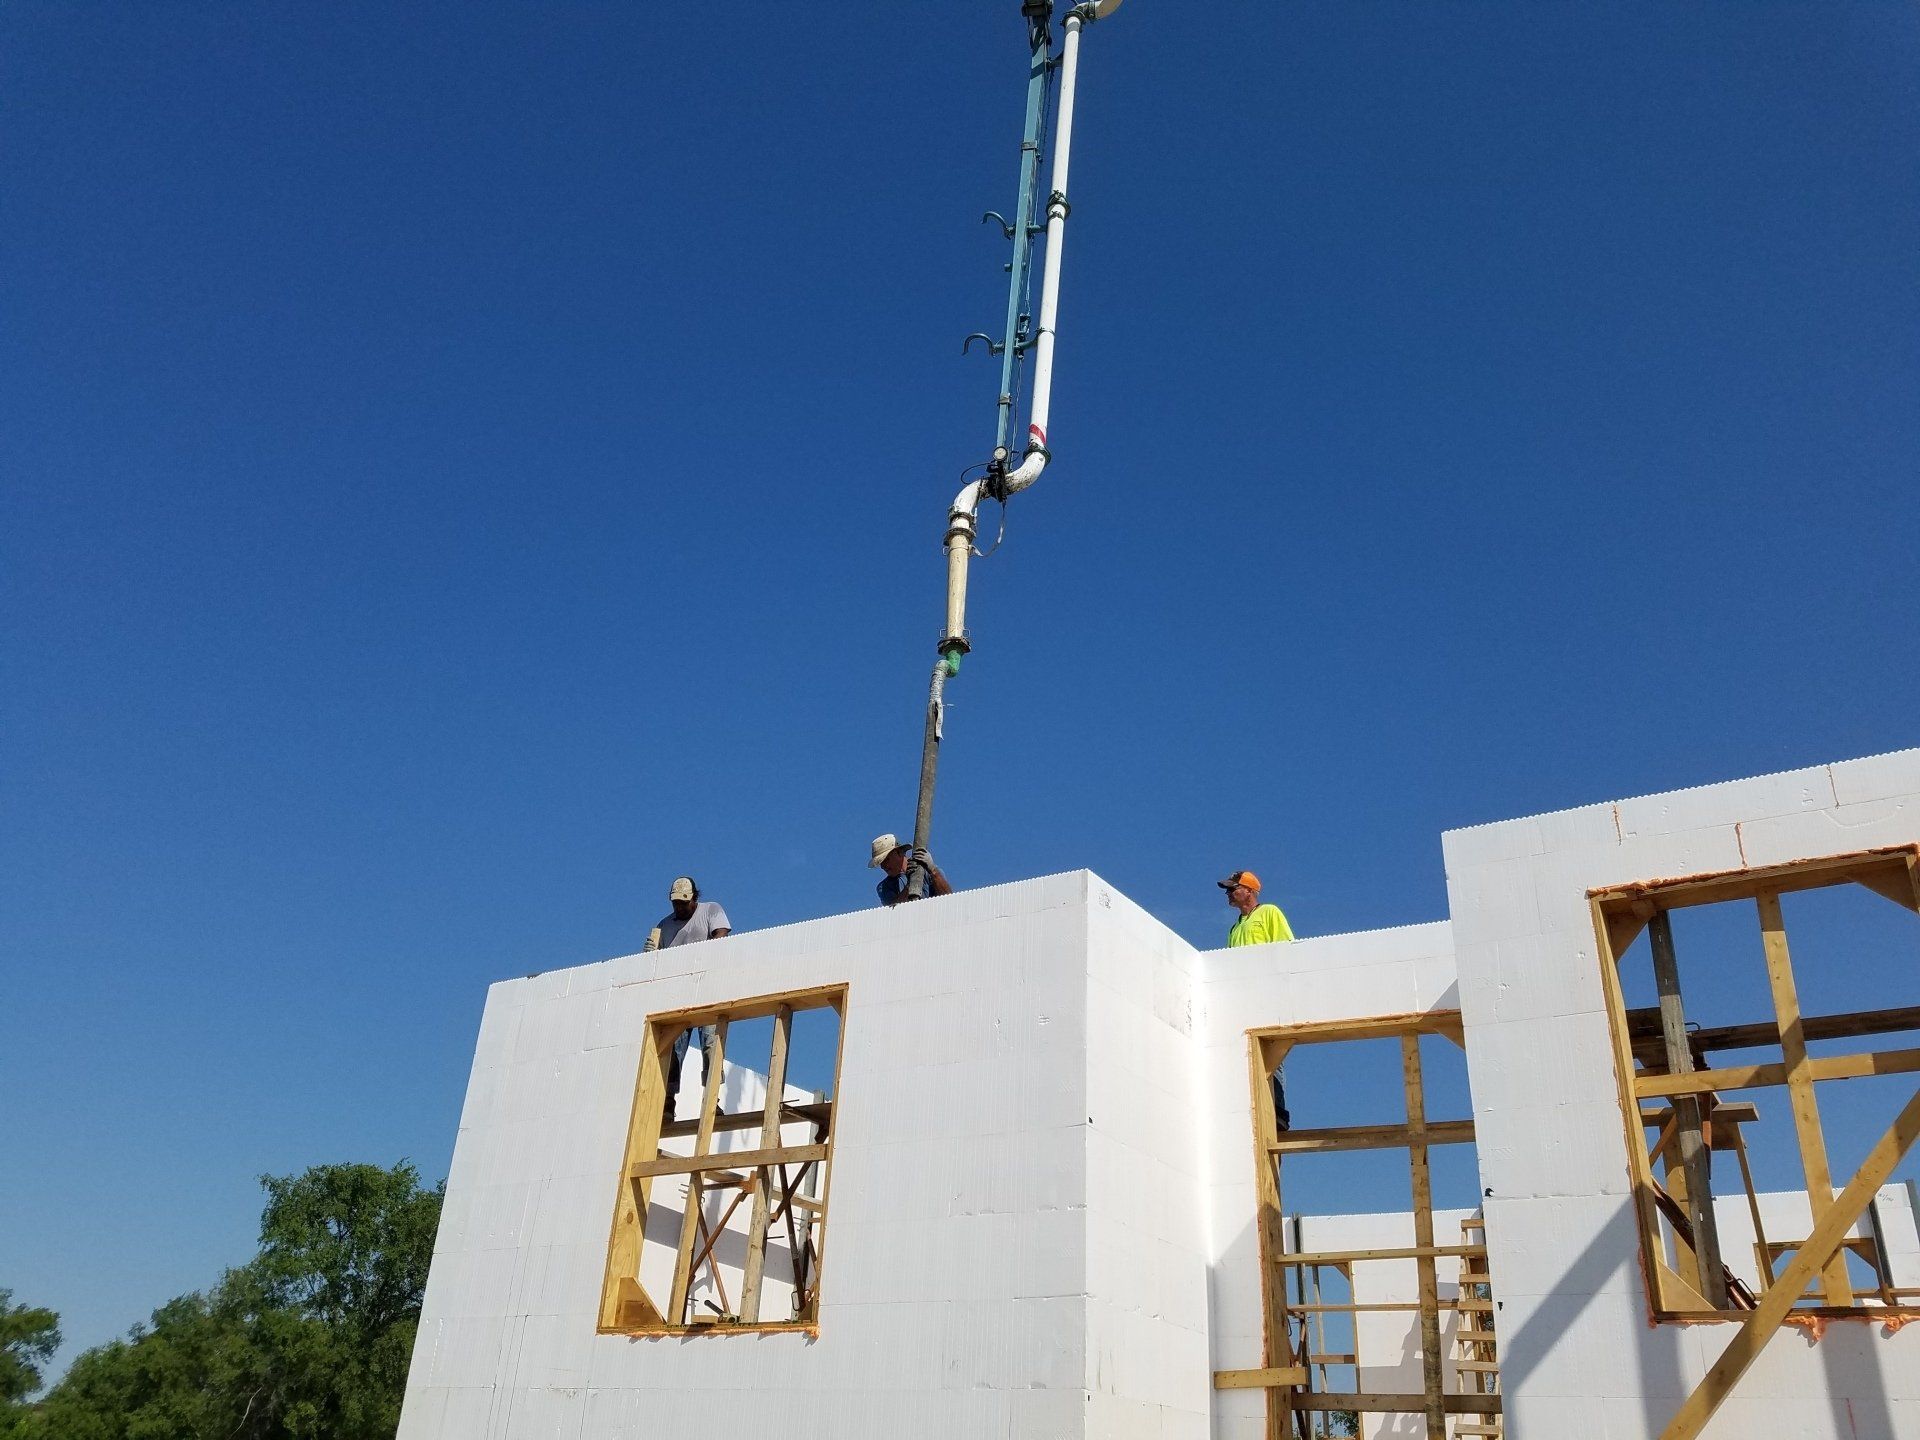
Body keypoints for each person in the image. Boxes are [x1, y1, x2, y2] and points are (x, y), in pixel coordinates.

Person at [646, 877, 732, 1120]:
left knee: (711, 1045)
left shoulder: (711, 910)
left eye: (684, 903)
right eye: (676, 904)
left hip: (706, 993)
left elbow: (721, 937)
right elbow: (654, 962)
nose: (680, 908)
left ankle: (711, 1102)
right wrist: (650, 957)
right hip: (678, 996)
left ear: (695, 898)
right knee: (673, 1051)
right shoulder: (664, 926)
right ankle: (667, 1104)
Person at [1220, 868, 1296, 1130]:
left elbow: (1286, 947)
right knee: (1248, 1053)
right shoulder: (1235, 927)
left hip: (1267, 993)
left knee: (1272, 1052)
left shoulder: (1269, 913)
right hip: (1245, 997)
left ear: (1249, 891)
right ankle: (1253, 1108)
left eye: (1233, 888)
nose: (1229, 894)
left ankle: (1277, 1111)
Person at [870, 833, 952, 906]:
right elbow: (893, 913)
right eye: (880, 863)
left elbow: (949, 899)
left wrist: (933, 870)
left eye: (886, 860)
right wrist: (910, 884)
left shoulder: (928, 872)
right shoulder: (884, 887)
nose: (883, 866)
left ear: (899, 853)